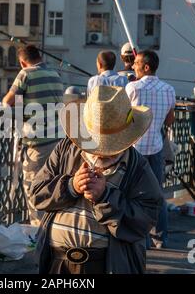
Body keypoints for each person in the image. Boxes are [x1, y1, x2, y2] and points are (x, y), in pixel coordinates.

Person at [31, 86, 163, 274]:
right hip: (58, 261)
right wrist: (71, 186)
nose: (101, 153)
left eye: (109, 149)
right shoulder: (66, 149)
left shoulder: (137, 167)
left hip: (105, 264)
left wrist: (105, 197)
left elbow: (146, 218)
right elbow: (37, 193)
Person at [3, 45, 63, 226]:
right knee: (52, 186)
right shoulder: (55, 74)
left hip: (38, 143)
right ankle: (54, 227)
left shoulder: (26, 74)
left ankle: (39, 233)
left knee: (34, 187)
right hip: (58, 141)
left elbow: (7, 101)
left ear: (23, 62)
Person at [125, 50, 176, 249]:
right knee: (157, 194)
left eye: (136, 63)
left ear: (146, 67)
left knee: (132, 194)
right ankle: (161, 238)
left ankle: (141, 239)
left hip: (134, 149)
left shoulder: (133, 88)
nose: (132, 66)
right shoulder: (169, 89)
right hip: (155, 148)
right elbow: (170, 120)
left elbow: (123, 116)